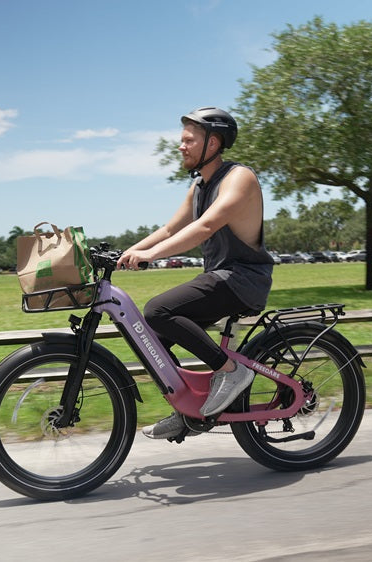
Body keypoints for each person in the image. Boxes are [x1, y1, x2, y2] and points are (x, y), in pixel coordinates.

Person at [117, 107, 274, 440]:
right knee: (154, 341)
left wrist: (151, 256)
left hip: (244, 279)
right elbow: (171, 227)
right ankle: (187, 411)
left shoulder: (238, 178)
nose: (181, 146)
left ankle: (231, 372)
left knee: (158, 311)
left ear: (213, 143)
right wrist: (128, 252)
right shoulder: (200, 186)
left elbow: (205, 226)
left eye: (189, 140)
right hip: (221, 278)